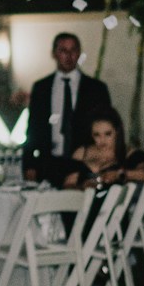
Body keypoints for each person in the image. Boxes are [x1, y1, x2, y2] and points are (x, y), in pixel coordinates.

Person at [22, 32, 112, 187]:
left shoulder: (96, 89)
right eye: (63, 51)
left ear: (79, 53)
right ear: (54, 54)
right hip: (49, 163)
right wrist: (29, 164)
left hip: (85, 164)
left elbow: (107, 125)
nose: (68, 56)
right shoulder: (42, 88)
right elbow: (33, 128)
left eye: (73, 50)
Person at [63, 107, 144, 190]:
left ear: (116, 132)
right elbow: (68, 184)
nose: (102, 140)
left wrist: (119, 174)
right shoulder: (82, 152)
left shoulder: (129, 153)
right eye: (97, 135)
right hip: (83, 204)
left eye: (108, 134)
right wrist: (83, 187)